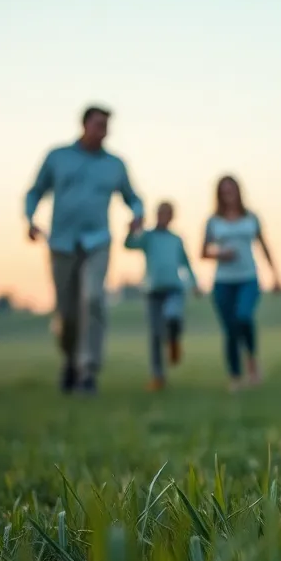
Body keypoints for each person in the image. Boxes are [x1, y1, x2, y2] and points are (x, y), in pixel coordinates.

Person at [25, 105, 144, 394]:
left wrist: (137, 214)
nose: (103, 130)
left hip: (98, 242)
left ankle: (87, 370)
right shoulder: (58, 157)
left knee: (92, 298)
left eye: (106, 125)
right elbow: (35, 191)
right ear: (84, 125)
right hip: (62, 244)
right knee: (66, 312)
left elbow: (133, 197)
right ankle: (70, 360)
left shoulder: (115, 164)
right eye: (98, 124)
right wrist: (30, 219)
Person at [201, 175, 281, 391]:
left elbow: (264, 246)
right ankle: (235, 376)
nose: (229, 194)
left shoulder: (251, 217)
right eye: (224, 190)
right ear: (219, 194)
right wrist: (220, 254)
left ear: (238, 191)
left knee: (244, 316)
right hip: (223, 282)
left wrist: (275, 276)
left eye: (232, 189)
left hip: (248, 278)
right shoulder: (213, 221)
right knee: (230, 330)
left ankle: (252, 362)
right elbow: (203, 252)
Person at [124, 201, 201, 392]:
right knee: (156, 335)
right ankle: (158, 376)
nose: (163, 217)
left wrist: (194, 283)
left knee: (173, 318)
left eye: (167, 213)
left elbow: (186, 263)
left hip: (174, 288)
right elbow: (129, 244)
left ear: (172, 217)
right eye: (161, 213)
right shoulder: (148, 237)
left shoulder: (176, 240)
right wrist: (131, 230)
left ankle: (174, 341)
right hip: (153, 291)